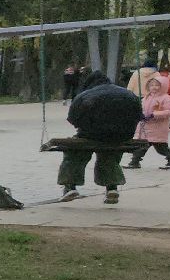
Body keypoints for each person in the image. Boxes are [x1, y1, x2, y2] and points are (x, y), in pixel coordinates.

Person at [60, 70, 140, 204]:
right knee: (110, 154)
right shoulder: (128, 94)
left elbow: (73, 120)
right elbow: (139, 116)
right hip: (122, 135)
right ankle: (112, 188)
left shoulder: (84, 95)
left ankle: (70, 186)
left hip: (92, 135)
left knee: (74, 152)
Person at [128, 73, 170, 170]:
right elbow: (142, 108)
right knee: (142, 146)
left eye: (157, 85)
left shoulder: (166, 98)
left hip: (158, 128)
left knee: (161, 147)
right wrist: (141, 114)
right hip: (146, 127)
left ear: (163, 86)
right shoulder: (147, 97)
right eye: (152, 85)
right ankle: (134, 162)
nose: (154, 87)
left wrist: (155, 114)